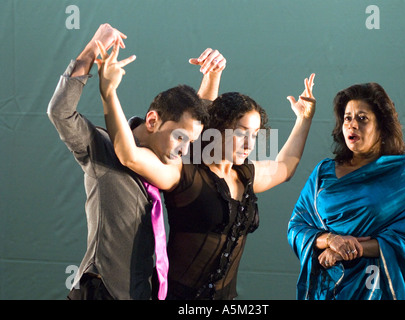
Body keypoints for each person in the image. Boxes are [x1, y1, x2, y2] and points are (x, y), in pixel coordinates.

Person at [96, 39, 316, 299]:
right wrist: (109, 93)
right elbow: (130, 156)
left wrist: (304, 119)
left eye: (255, 134)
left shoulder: (246, 176)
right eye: (241, 132)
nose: (250, 143)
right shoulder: (184, 173)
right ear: (218, 131)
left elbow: (285, 166)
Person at [47, 23, 225, 300]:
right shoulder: (102, 149)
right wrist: (92, 51)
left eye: (190, 141)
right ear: (153, 121)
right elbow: (60, 112)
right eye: (180, 138)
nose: (185, 149)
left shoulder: (168, 163)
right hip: (101, 291)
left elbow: (192, 121)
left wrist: (213, 75)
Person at [287, 82, 405, 300]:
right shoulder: (322, 173)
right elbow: (296, 227)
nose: (352, 125)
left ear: (381, 127)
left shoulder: (402, 175)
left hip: (375, 289)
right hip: (326, 289)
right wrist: (331, 240)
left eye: (362, 118)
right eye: (347, 118)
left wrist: (352, 249)